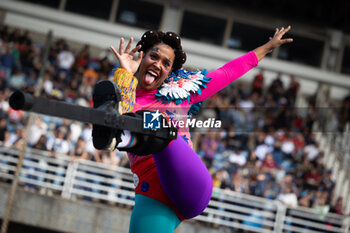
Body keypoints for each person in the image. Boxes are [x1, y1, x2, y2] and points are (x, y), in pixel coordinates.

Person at [92, 26, 293, 233]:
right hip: (152, 191)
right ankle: (117, 135)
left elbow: (227, 72)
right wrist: (125, 72)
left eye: (166, 64)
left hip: (189, 183)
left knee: (155, 124)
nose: (158, 65)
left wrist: (268, 47)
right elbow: (121, 110)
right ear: (141, 57)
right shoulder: (128, 97)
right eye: (154, 57)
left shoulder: (182, 92)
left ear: (170, 72)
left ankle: (119, 137)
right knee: (125, 117)